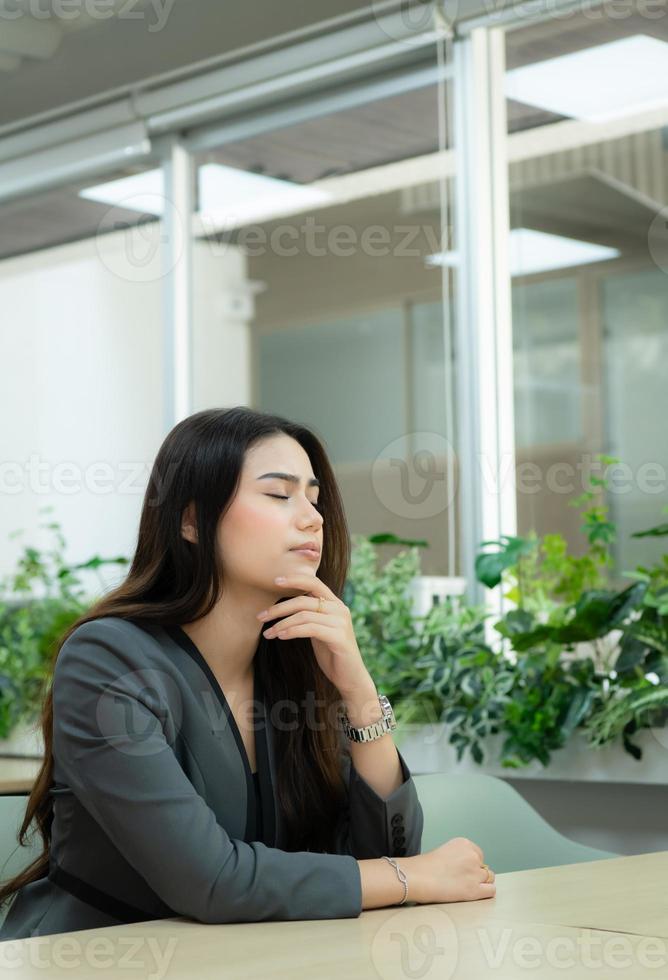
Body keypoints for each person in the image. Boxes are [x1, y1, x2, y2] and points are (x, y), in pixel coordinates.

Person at [0, 406, 495, 939]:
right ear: (191, 520)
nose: (312, 517)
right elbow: (210, 881)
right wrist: (413, 877)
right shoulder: (108, 659)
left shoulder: (296, 659)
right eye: (279, 495)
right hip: (94, 960)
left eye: (314, 498)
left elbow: (389, 857)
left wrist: (359, 693)